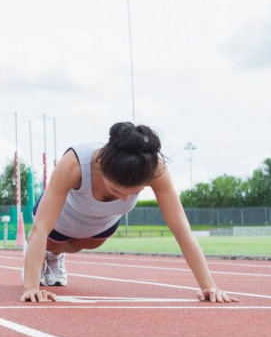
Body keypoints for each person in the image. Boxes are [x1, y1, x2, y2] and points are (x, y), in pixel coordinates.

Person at [21, 121, 237, 304]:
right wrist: (31, 287)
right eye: (115, 190)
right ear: (101, 166)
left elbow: (181, 229)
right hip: (63, 217)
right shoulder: (75, 163)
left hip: (101, 224)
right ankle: (42, 257)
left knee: (81, 245)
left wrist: (208, 286)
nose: (124, 198)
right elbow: (41, 228)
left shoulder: (155, 169)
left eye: (134, 193)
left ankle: (54, 256)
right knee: (52, 242)